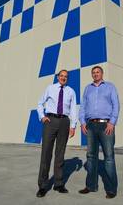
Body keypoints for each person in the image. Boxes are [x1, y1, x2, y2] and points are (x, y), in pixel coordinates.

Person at [78, 65, 120, 199]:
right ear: (92, 75)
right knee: (91, 156)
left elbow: (116, 105)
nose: (95, 74)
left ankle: (111, 189)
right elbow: (83, 106)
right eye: (93, 73)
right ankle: (91, 186)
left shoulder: (110, 87)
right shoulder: (87, 88)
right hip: (90, 125)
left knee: (108, 158)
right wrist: (83, 122)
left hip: (105, 126)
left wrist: (112, 122)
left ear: (102, 74)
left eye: (98, 72)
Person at [36, 69, 77, 198]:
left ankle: (58, 184)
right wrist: (42, 116)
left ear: (67, 78)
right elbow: (40, 103)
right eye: (61, 76)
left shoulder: (71, 91)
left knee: (60, 154)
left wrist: (73, 126)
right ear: (57, 77)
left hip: (64, 122)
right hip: (50, 121)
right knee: (46, 153)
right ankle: (43, 186)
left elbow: (73, 109)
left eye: (66, 76)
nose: (63, 78)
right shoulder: (50, 88)